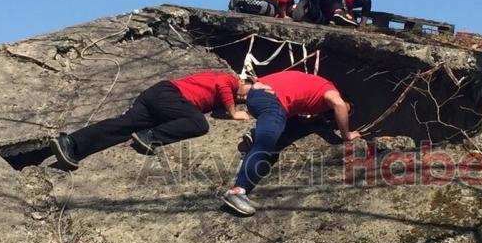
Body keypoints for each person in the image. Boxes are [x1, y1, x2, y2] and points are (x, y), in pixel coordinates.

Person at [222, 70, 360, 216]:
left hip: (260, 95)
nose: (338, 115)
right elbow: (339, 104)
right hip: (273, 101)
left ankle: (256, 136)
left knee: (298, 124)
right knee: (265, 144)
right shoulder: (330, 91)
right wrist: (347, 135)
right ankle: (237, 190)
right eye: (345, 111)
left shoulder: (316, 86)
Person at [50, 71, 253, 170]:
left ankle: (71, 144)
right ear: (243, 81)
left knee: (122, 126)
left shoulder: (227, 91)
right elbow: (222, 87)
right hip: (170, 94)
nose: (244, 97)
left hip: (158, 96)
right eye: (248, 92)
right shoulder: (229, 79)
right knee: (198, 123)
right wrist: (234, 113)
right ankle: (150, 136)